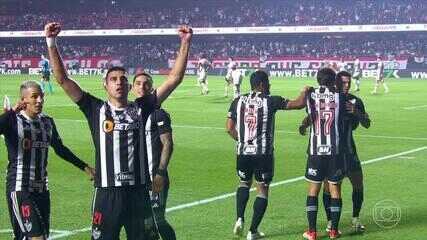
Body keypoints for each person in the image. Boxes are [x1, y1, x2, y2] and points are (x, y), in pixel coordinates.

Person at [45, 22, 192, 240]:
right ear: (105, 86)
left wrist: (185, 43)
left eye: (123, 79)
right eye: (113, 79)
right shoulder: (95, 109)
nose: (119, 82)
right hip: (107, 193)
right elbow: (63, 79)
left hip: (138, 193)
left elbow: (174, 79)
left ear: (129, 86)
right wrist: (51, 42)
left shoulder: (142, 108)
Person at [0, 80, 94, 240]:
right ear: (23, 100)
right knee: (37, 237)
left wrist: (85, 167)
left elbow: (60, 149)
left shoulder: (47, 122)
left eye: (41, 96)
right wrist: (11, 112)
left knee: (36, 236)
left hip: (42, 189)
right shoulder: (13, 121)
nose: (40, 100)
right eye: (34, 97)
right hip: (20, 188)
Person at [226, 70, 308, 240]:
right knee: (262, 189)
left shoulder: (237, 100)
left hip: (243, 152)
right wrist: (305, 91)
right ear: (262, 85)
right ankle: (253, 231)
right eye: (268, 82)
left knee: (244, 182)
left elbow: (229, 127)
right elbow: (299, 104)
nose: (270, 85)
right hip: (263, 154)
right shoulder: (270, 101)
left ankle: (239, 218)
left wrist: (242, 141)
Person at [299, 71, 371, 234]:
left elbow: (367, 123)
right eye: (343, 83)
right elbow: (314, 116)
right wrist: (304, 124)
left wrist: (355, 111)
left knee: (358, 185)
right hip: (333, 153)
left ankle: (355, 218)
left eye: (349, 83)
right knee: (328, 189)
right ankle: (331, 221)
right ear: (336, 83)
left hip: (349, 151)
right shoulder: (333, 99)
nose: (346, 86)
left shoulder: (354, 101)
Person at [132, 73, 176, 240]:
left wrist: (160, 173)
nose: (142, 87)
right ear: (133, 87)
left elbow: (168, 144)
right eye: (138, 83)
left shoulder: (159, 114)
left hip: (155, 178)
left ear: (151, 88)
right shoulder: (130, 113)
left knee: (157, 220)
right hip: (137, 180)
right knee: (143, 223)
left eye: (146, 84)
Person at [302, 68, 345, 240]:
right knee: (335, 190)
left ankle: (312, 232)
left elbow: (310, 115)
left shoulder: (310, 96)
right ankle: (334, 230)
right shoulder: (340, 97)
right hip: (334, 151)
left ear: (318, 79)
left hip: (316, 150)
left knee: (314, 190)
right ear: (334, 80)